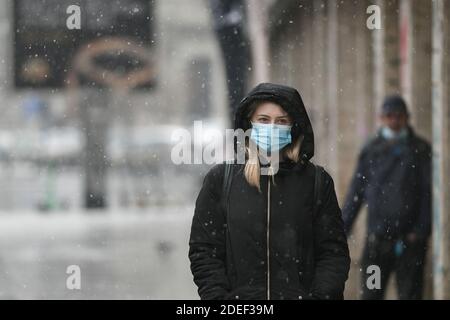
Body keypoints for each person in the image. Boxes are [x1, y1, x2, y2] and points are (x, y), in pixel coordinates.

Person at [189, 83, 350, 300]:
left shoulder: (316, 182)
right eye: (263, 120)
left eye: (282, 121)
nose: (272, 127)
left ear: (294, 127)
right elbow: (204, 251)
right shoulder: (220, 180)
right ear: (249, 124)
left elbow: (333, 253)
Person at [342, 95, 431, 300]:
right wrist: (340, 234)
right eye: (389, 116)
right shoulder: (371, 150)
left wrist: (421, 231)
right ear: (381, 118)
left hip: (410, 245)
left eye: (398, 116)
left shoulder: (420, 149)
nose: (394, 121)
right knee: (372, 294)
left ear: (406, 118)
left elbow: (428, 194)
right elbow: (356, 194)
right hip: (377, 244)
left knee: (410, 295)